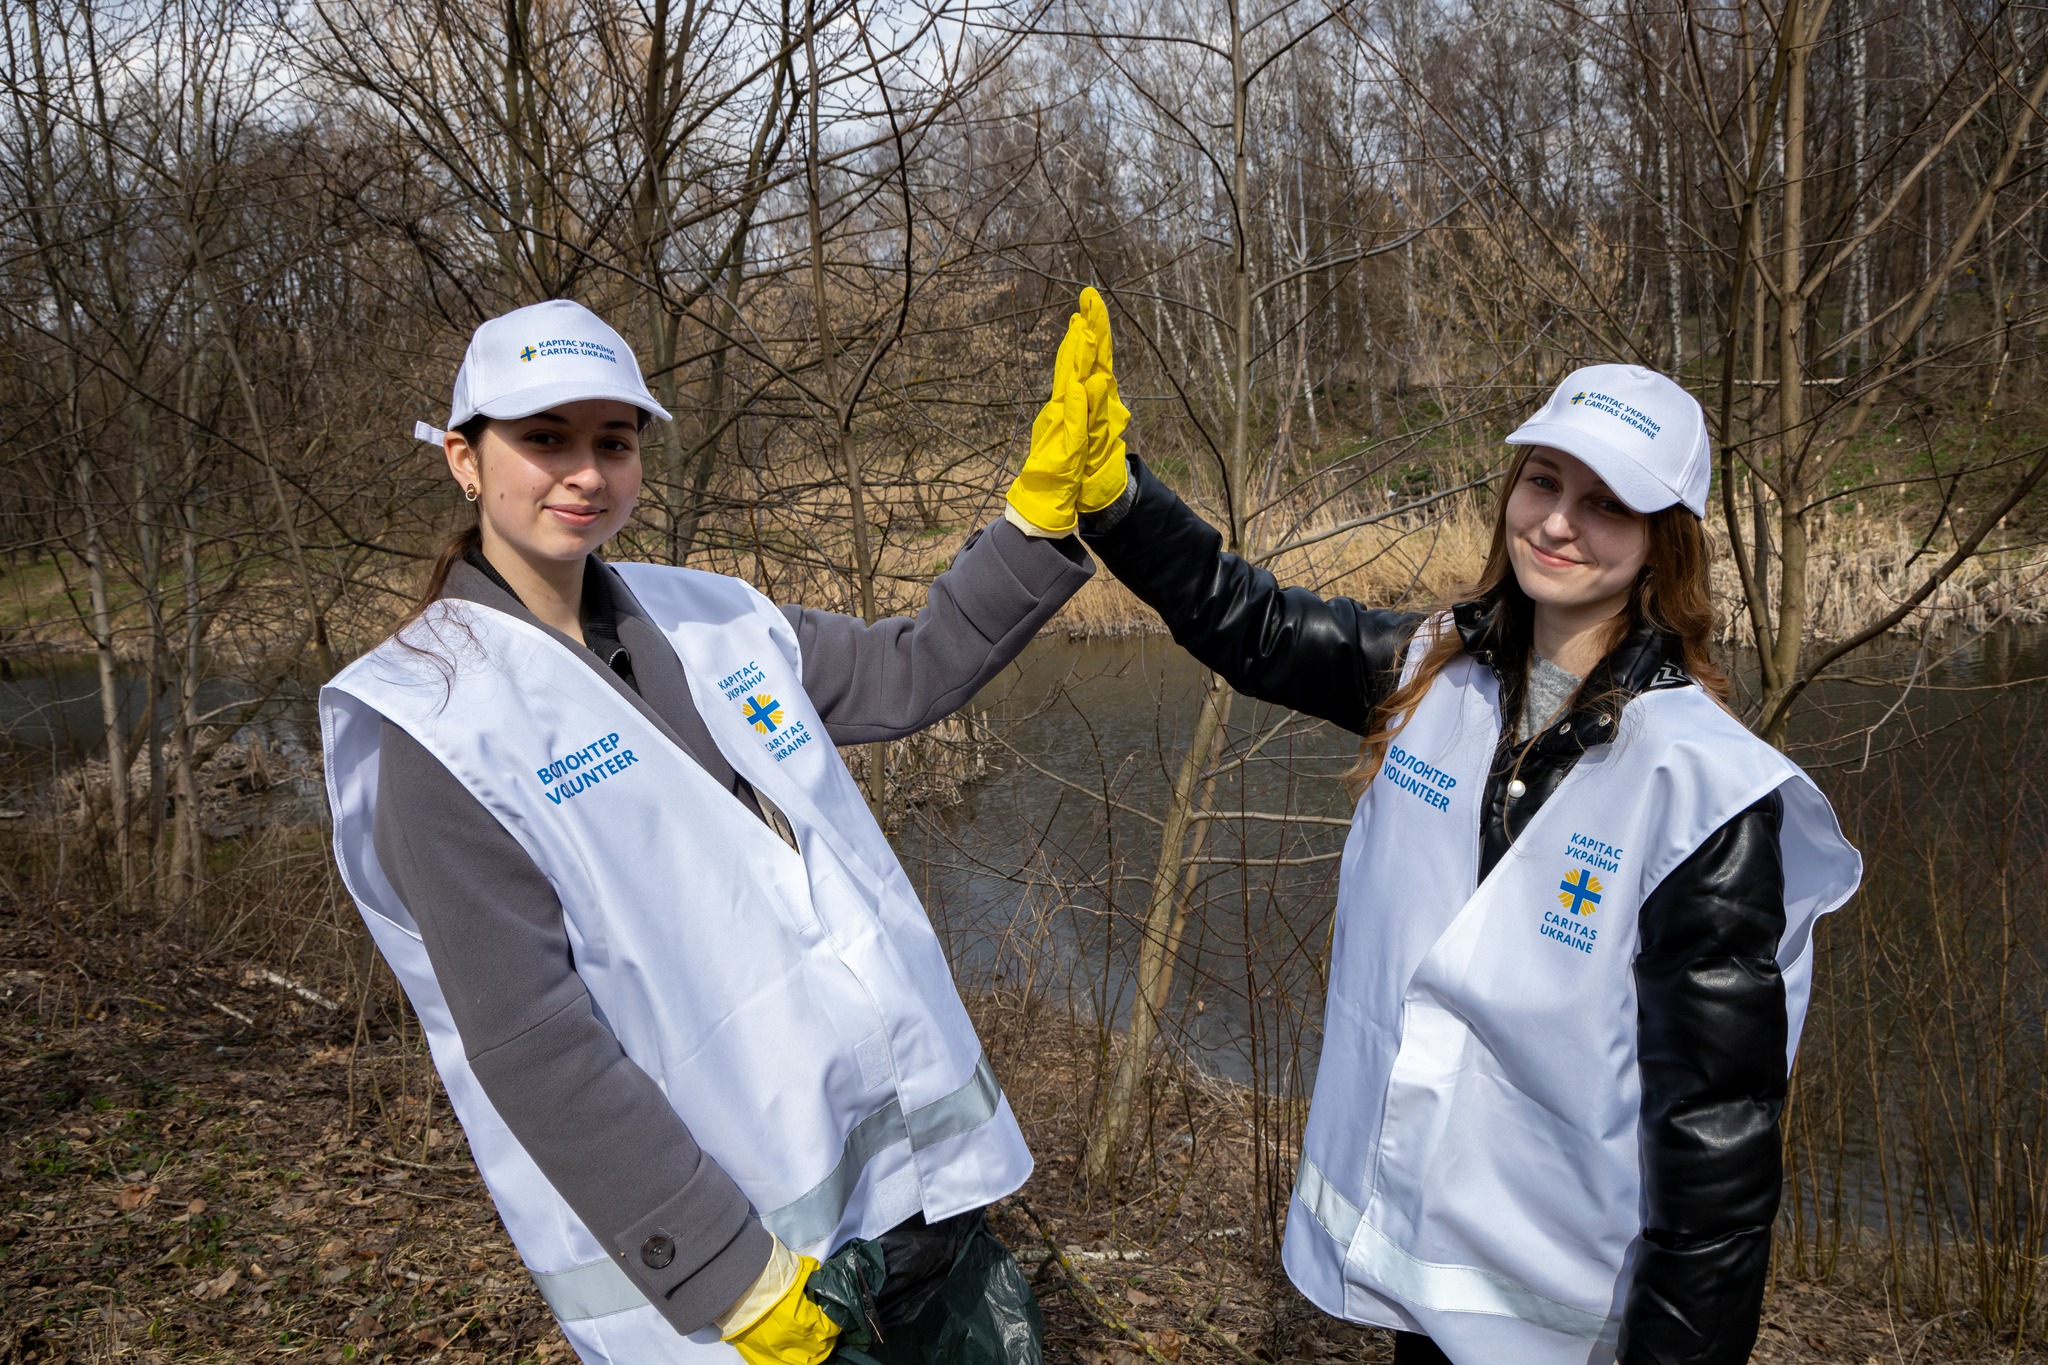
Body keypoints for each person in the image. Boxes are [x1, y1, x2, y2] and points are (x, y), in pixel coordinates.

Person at [319, 293, 1127, 1364]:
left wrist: (1035, 523)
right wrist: (724, 1274)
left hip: (905, 1208)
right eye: (543, 439)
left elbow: (904, 668)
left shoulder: (712, 616)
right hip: (741, 1276)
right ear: (465, 460)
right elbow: (533, 1043)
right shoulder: (439, 723)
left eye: (613, 442)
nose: (585, 473)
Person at [1059, 353, 1863, 1364]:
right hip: (1425, 1289)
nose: (1558, 523)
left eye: (1606, 504)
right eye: (1542, 481)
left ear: (1663, 544)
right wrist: (1117, 498)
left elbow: (1717, 1137)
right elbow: (1250, 622)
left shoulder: (1698, 790)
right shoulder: (1434, 669)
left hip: (1565, 1321)